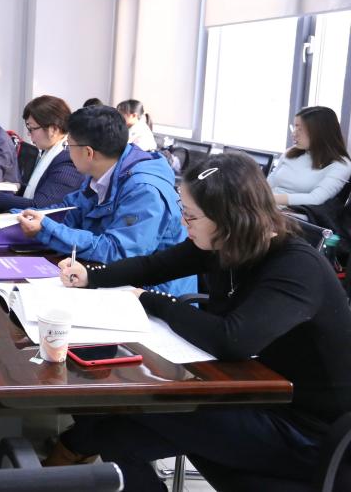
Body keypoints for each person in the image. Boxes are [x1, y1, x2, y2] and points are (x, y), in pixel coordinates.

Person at [51, 153, 351, 490]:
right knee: (116, 435)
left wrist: (152, 300)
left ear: (229, 219)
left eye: (191, 216)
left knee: (129, 403)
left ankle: (68, 450)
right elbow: (154, 266)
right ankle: (71, 449)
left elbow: (231, 340)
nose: (184, 223)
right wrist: (91, 276)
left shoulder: (296, 267)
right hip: (260, 396)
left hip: (307, 432)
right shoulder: (225, 243)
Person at [16, 105, 194, 296]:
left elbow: (118, 252)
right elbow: (70, 210)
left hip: (151, 294)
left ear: (88, 153)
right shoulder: (103, 171)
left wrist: (46, 228)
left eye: (69, 146)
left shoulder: (145, 191)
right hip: (109, 278)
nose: (68, 152)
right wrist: (18, 218)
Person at [0, 95, 83, 210]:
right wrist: (17, 188)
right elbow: (41, 190)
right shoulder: (51, 152)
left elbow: (39, 206)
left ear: (54, 129)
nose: (29, 134)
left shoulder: (68, 161)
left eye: (31, 128)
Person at [268, 105, 351, 209]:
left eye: (300, 129)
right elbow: (269, 182)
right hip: (267, 206)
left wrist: (268, 198)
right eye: (295, 127)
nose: (293, 134)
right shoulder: (291, 152)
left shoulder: (341, 164)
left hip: (294, 213)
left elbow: (316, 199)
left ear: (320, 132)